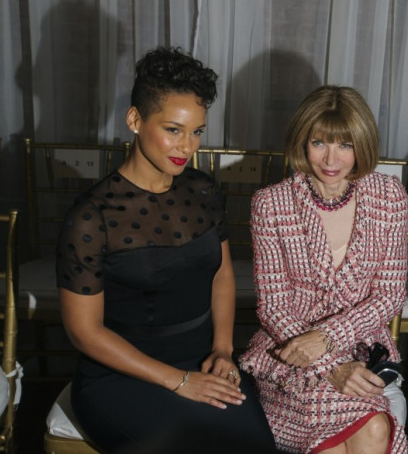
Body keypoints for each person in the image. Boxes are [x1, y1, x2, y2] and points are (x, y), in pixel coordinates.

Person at [56, 46, 275, 452]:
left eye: (196, 131)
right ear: (135, 120)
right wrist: (179, 381)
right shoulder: (92, 215)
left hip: (203, 359)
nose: (186, 146)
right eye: (173, 129)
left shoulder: (203, 190)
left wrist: (224, 350)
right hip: (120, 377)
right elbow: (84, 332)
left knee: (258, 447)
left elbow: (222, 275)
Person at [239, 85, 408, 453]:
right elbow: (273, 307)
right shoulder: (270, 204)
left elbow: (390, 295)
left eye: (345, 145)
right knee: (338, 442)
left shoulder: (390, 196)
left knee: (375, 430)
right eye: (319, 143)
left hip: (360, 349)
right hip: (290, 355)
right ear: (302, 142)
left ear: (361, 146)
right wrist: (329, 365)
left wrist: (328, 338)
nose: (331, 159)